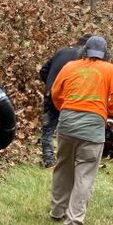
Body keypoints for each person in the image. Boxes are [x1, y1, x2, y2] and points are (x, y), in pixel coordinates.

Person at [49, 35, 113, 225]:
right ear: (105, 54)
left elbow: (55, 92)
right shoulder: (111, 70)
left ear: (84, 51)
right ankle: (73, 223)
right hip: (92, 126)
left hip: (67, 122)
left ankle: (57, 210)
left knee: (63, 166)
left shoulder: (70, 66)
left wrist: (63, 109)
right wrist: (108, 110)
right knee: (84, 174)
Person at [38, 35, 91, 167]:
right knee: (72, 128)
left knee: (48, 128)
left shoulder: (62, 51)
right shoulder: (85, 59)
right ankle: (70, 159)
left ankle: (48, 159)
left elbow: (43, 70)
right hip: (70, 98)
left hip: (51, 94)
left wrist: (51, 84)